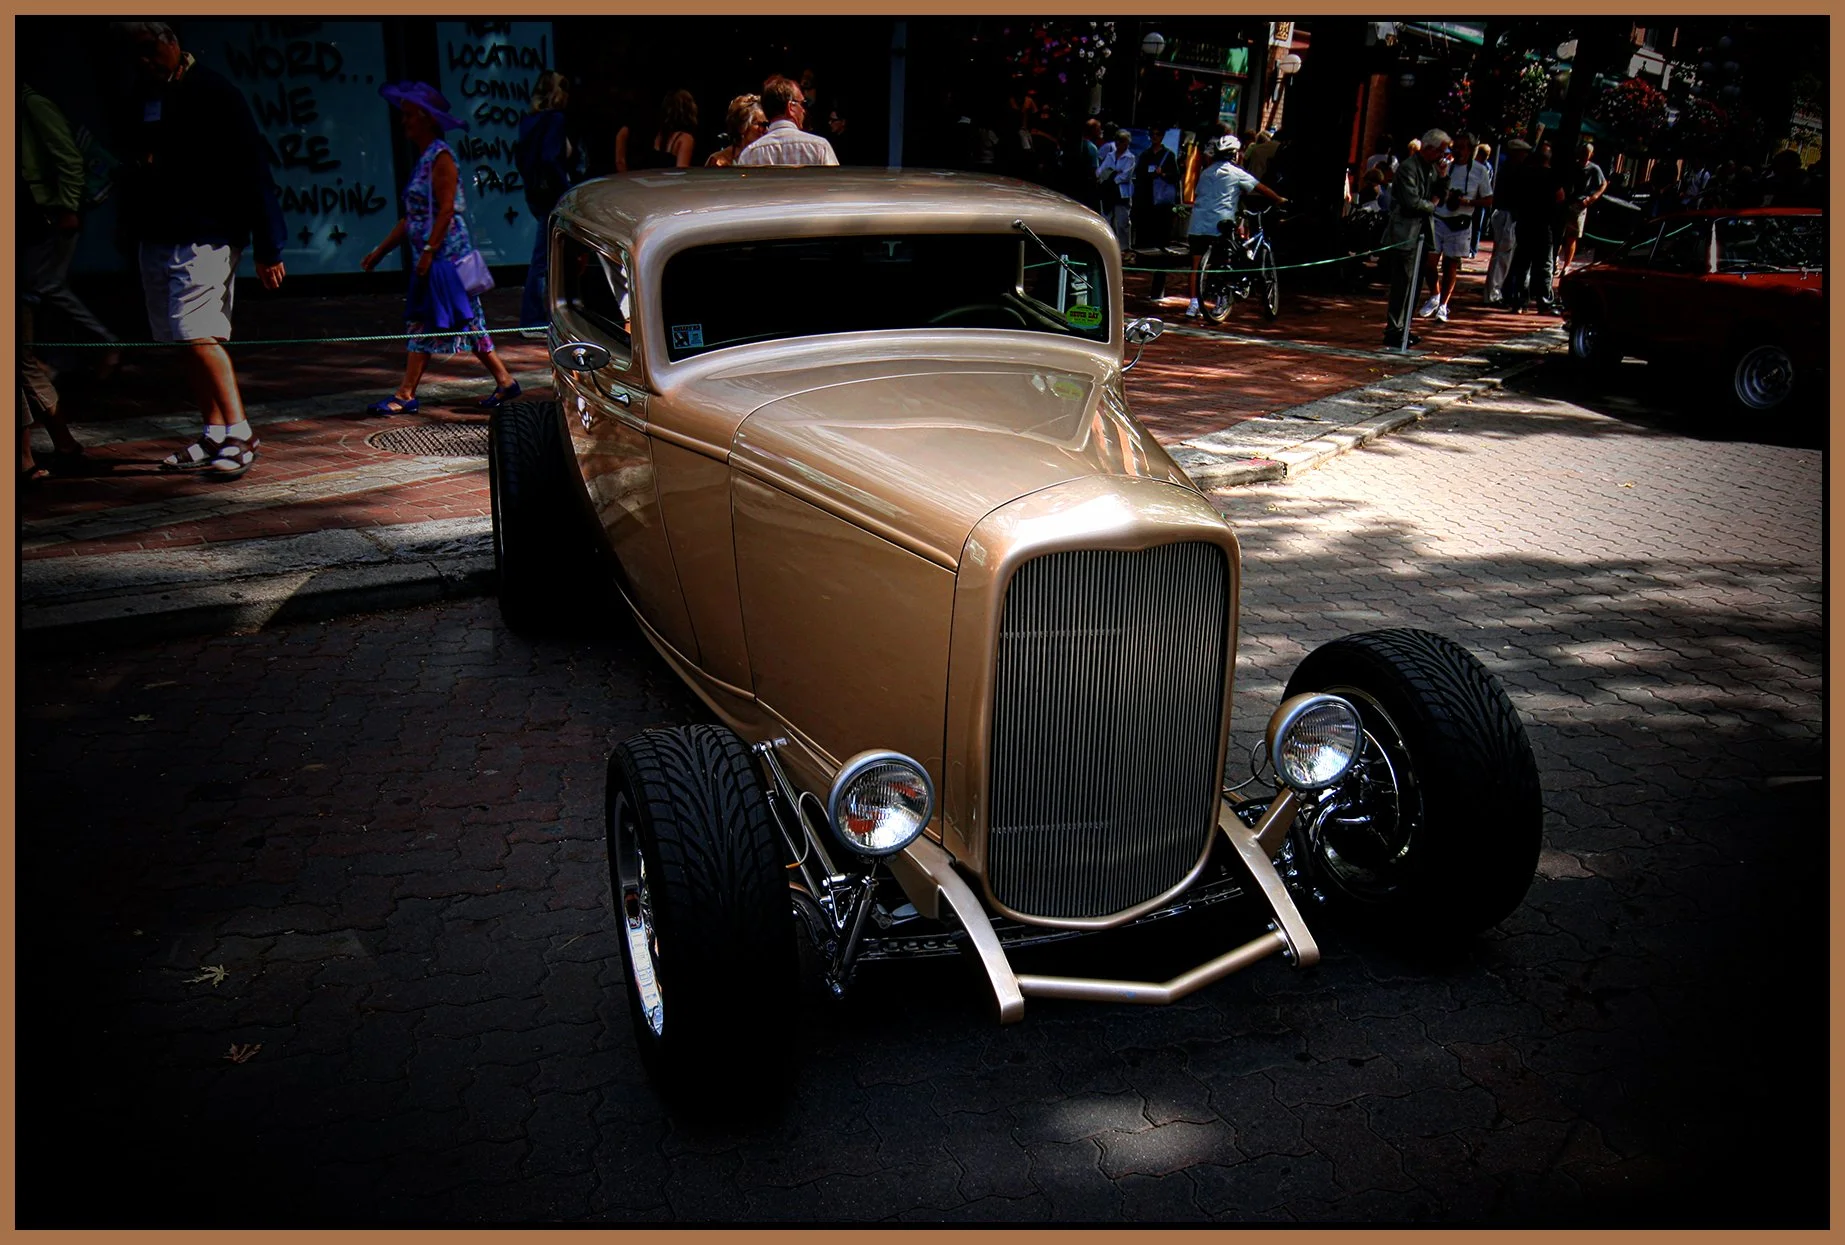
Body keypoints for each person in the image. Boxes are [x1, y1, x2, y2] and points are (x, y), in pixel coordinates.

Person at [113, 21, 285, 481]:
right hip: (158, 233)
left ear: (171, 43)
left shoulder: (214, 91)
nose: (144, 61)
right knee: (180, 338)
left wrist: (269, 245)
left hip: (206, 233)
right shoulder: (143, 95)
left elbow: (253, 167)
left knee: (198, 332)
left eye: (149, 49)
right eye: (134, 53)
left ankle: (241, 430)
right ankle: (213, 429)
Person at [359, 81, 519, 415]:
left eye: (409, 116)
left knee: (423, 320)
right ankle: (505, 381)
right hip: (432, 257)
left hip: (446, 258)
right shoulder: (424, 159)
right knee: (469, 322)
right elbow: (411, 218)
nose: (404, 123)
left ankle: (405, 393)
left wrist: (431, 250)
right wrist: (380, 252)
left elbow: (447, 209)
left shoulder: (441, 158)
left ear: (426, 119)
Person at [20, 83, 118, 370]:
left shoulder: (31, 104)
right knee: (36, 285)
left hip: (52, 209)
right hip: (35, 209)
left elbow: (68, 157)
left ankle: (103, 342)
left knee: (43, 283)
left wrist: (68, 206)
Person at [1185, 131, 1287, 318]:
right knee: (1225, 261)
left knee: (1196, 265)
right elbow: (1261, 189)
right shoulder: (1237, 173)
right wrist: (1280, 200)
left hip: (1198, 224)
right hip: (1220, 224)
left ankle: (1193, 305)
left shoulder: (1206, 173)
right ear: (1234, 154)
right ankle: (1221, 301)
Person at [512, 69, 578, 338]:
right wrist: (566, 190)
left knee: (546, 256)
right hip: (552, 194)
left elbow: (521, 158)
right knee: (543, 259)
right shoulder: (554, 120)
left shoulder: (529, 121)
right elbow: (551, 159)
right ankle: (533, 319)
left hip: (536, 194)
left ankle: (544, 315)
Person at [1380, 128, 1449, 349]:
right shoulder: (1408, 168)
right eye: (1440, 151)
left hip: (1421, 234)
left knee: (1415, 284)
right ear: (1429, 149)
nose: (1442, 156)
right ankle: (1395, 329)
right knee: (1403, 283)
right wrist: (1432, 205)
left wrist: (1444, 178)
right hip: (1405, 233)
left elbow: (1441, 194)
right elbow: (1413, 202)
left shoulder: (1431, 168)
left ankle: (1405, 327)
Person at [1423, 137, 1493, 322]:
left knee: (1450, 265)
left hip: (1460, 222)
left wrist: (1467, 201)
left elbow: (1488, 199)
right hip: (1439, 218)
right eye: (1456, 148)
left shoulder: (1480, 171)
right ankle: (1434, 294)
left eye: (1462, 148)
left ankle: (1444, 305)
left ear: (1471, 150)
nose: (1458, 151)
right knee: (1429, 262)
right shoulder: (1445, 166)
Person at [1502, 141, 1565, 314]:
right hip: (1544, 224)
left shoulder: (1523, 173)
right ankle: (1543, 300)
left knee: (1522, 263)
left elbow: (1514, 195)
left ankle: (1519, 301)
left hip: (1525, 222)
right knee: (1544, 264)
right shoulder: (1552, 176)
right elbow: (1560, 197)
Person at [736, 75, 838, 166]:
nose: (804, 110)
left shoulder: (750, 154)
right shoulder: (820, 147)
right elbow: (834, 185)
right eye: (802, 104)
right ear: (790, 107)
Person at [1484, 138, 1530, 304]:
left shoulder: (1508, 168)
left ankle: (1495, 291)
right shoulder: (1514, 170)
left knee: (1502, 255)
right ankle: (1493, 294)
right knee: (1502, 255)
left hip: (1504, 213)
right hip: (1507, 215)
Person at [1557, 140, 1606, 274]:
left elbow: (1603, 184)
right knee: (1559, 233)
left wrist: (1592, 198)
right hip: (1567, 202)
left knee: (1571, 236)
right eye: (1583, 152)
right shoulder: (1573, 166)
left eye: (1587, 153)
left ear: (1591, 154)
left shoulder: (1594, 169)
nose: (1584, 155)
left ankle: (1566, 265)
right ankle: (1555, 261)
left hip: (1580, 205)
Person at [1096, 128, 1135, 251]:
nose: (1119, 144)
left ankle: (1124, 248)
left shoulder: (1130, 158)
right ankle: (1107, 246)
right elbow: (1100, 171)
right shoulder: (1110, 155)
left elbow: (1125, 175)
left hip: (1121, 193)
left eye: (1122, 141)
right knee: (1106, 220)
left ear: (1127, 143)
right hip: (1108, 191)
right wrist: (1110, 174)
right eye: (1117, 141)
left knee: (1122, 222)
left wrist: (1112, 176)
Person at [705, 94, 766, 168]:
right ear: (741, 127)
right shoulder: (719, 160)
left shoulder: (766, 155)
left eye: (765, 124)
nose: (763, 129)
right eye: (756, 123)